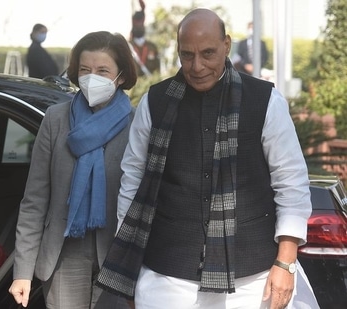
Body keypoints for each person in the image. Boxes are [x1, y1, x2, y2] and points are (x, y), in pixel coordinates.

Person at [96, 8, 319, 309]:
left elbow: (291, 182)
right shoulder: (155, 101)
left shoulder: (266, 101)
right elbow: (133, 181)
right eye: (187, 55)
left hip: (254, 279)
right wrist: (131, 263)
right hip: (167, 276)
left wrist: (286, 262)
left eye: (208, 53)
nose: (197, 65)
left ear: (227, 45)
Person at [9, 31, 137, 309]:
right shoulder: (56, 120)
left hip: (117, 259)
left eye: (103, 70)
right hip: (64, 256)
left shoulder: (137, 124)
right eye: (85, 70)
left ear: (122, 76)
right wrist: (22, 272)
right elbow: (34, 201)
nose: (92, 77)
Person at [129, 0, 160, 77]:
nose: (139, 27)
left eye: (141, 24)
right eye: (137, 25)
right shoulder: (128, 47)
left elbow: (157, 70)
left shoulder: (152, 46)